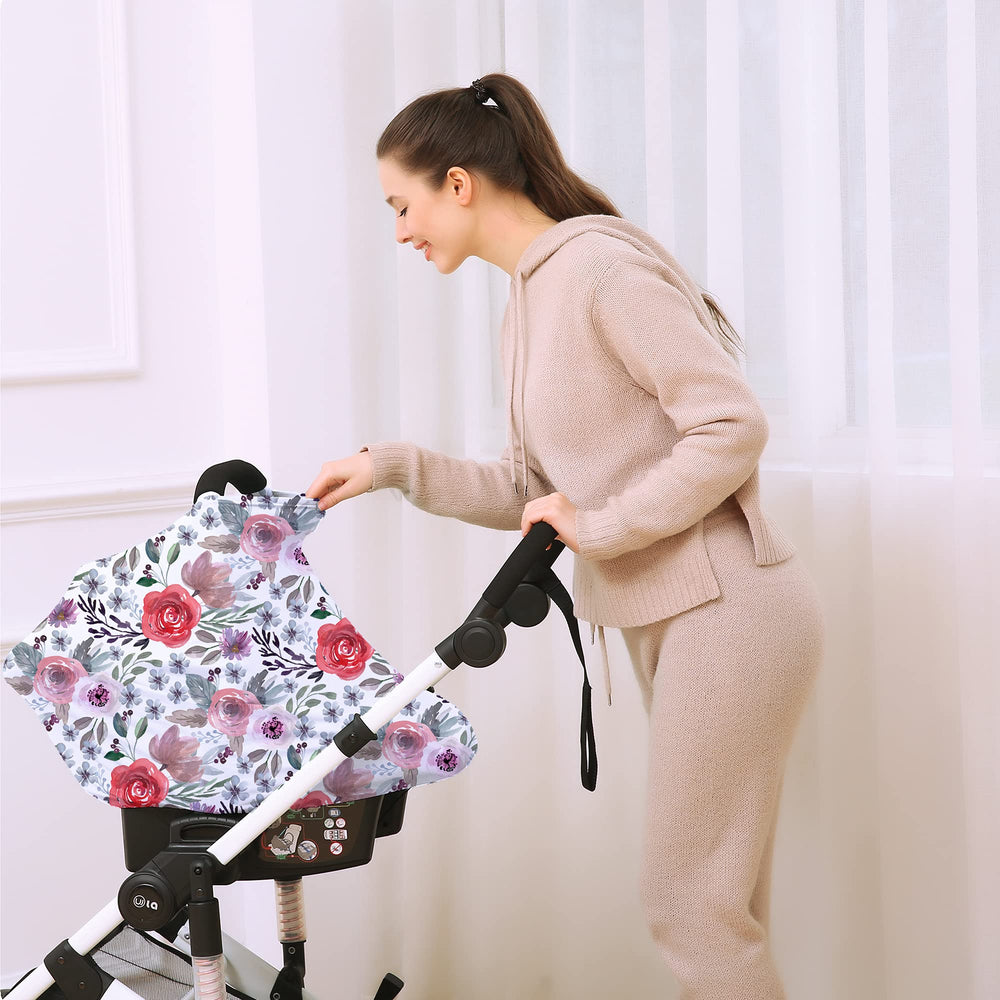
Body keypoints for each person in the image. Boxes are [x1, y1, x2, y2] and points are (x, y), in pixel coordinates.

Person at [306, 73, 824, 1000]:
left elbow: (730, 424)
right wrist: (390, 467)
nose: (400, 232)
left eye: (402, 204)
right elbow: (532, 490)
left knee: (691, 908)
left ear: (457, 183)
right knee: (717, 908)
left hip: (730, 608)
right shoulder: (534, 298)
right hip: (682, 607)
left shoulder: (595, 270)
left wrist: (607, 526)